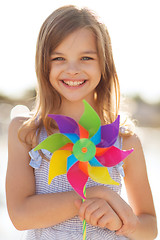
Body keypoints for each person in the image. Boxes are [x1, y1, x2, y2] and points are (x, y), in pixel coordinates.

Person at [6, 5, 157, 240]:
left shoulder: (125, 140)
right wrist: (95, 194)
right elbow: (20, 216)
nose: (72, 69)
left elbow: (149, 227)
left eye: (86, 57)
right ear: (44, 64)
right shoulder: (27, 132)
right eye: (59, 58)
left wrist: (122, 221)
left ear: (103, 64)